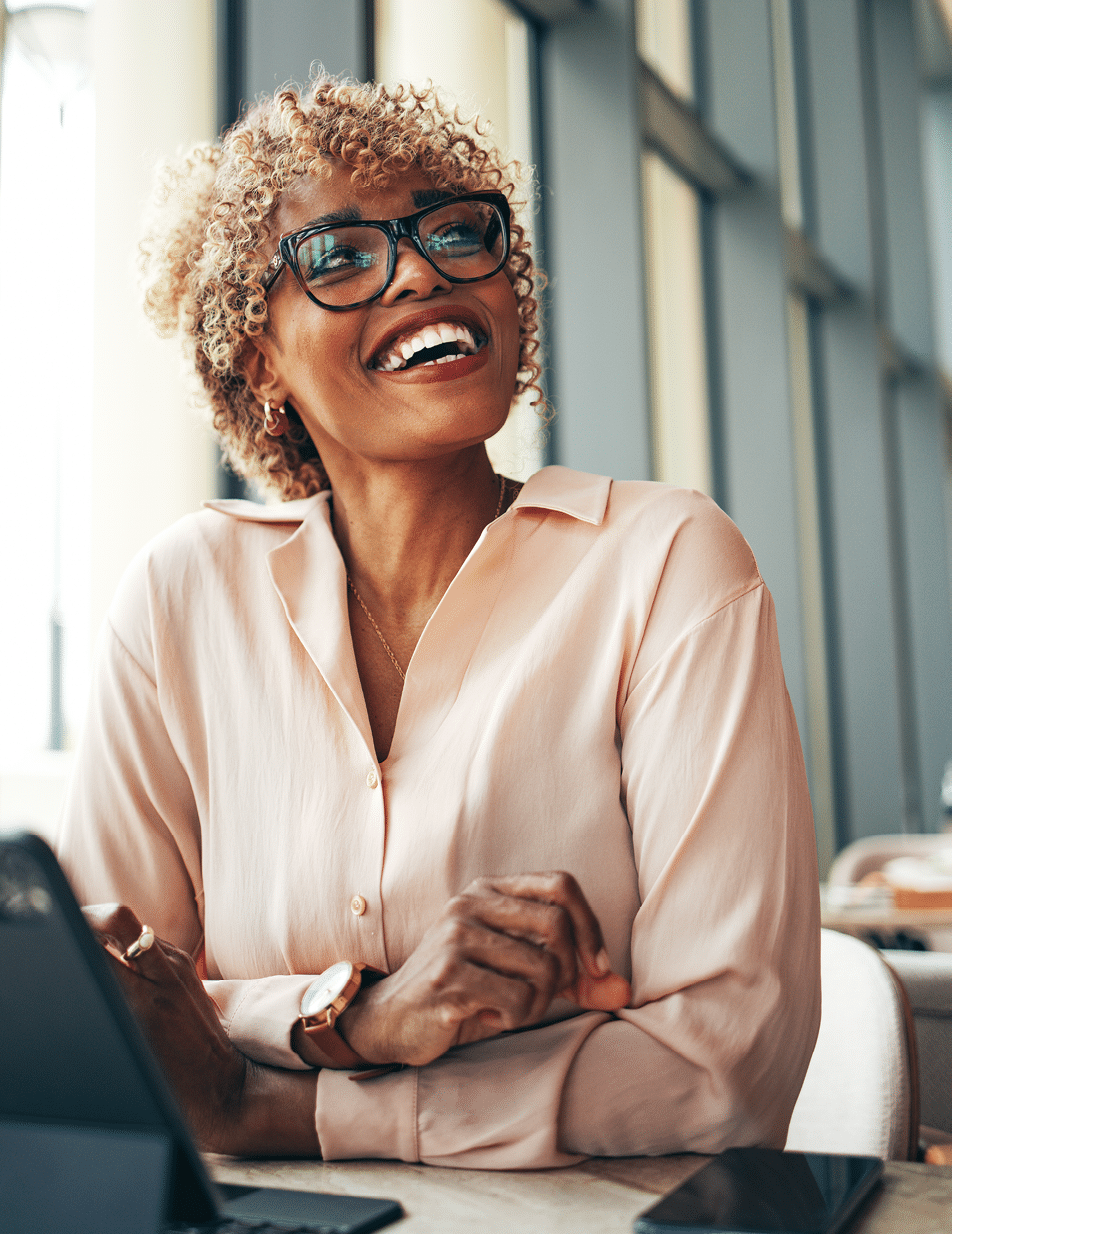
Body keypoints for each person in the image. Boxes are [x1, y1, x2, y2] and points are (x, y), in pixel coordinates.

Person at [57, 75, 821, 1169]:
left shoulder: (666, 567)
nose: (421, 267)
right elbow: (113, 1028)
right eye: (339, 255)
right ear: (258, 357)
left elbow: (724, 1073)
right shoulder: (182, 598)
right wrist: (353, 1016)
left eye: (458, 231)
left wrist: (269, 1102)